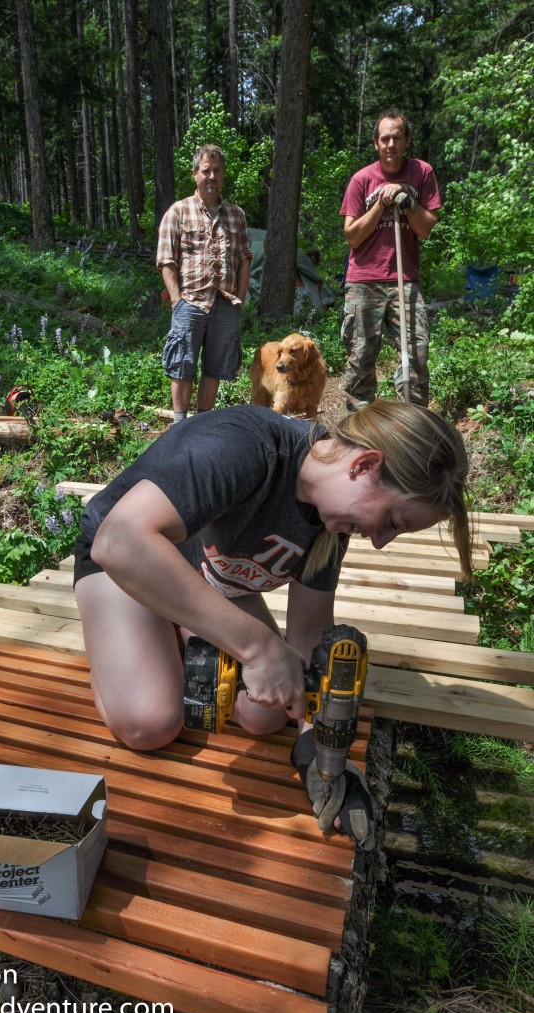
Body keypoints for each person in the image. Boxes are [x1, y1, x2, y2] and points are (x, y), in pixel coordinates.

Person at [73, 401, 473, 840]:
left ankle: (168, 636)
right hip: (121, 563)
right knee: (149, 722)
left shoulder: (330, 520)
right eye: (393, 520)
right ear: (364, 465)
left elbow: (309, 632)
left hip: (204, 581)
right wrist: (258, 648)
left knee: (265, 716)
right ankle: (126, 648)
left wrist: (318, 754)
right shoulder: (243, 445)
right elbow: (119, 541)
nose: (379, 541)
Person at [340, 110, 441, 410]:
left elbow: (424, 229)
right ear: (375, 143)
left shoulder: (422, 173)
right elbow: (352, 236)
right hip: (363, 281)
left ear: (407, 140)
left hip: (404, 280)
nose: (390, 144)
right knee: (361, 357)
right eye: (384, 138)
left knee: (416, 356)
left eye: (397, 137)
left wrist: (407, 201)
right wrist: (382, 205)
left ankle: (412, 426)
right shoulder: (361, 180)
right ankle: (358, 431)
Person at [156, 144, 253, 422]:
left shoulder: (236, 215)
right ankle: (179, 426)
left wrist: (241, 298)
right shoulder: (178, 211)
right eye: (206, 171)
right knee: (182, 365)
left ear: (222, 176)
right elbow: (165, 259)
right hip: (190, 302)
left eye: (217, 171)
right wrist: (176, 299)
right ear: (195, 174)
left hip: (226, 303)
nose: (212, 176)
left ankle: (201, 425)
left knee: (215, 368)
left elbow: (245, 258)